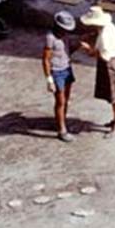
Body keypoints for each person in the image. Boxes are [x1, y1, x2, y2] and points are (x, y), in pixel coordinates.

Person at [78, 5, 115, 137]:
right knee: (114, 96)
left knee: (114, 97)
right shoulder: (109, 26)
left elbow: (101, 55)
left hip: (109, 65)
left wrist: (88, 49)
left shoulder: (105, 37)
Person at [43, 10, 77, 142]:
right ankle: (62, 130)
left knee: (66, 99)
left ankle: (62, 121)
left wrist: (80, 44)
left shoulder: (65, 36)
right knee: (60, 101)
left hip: (67, 68)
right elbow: (46, 59)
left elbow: (66, 51)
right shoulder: (50, 38)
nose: (66, 31)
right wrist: (49, 80)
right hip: (57, 72)